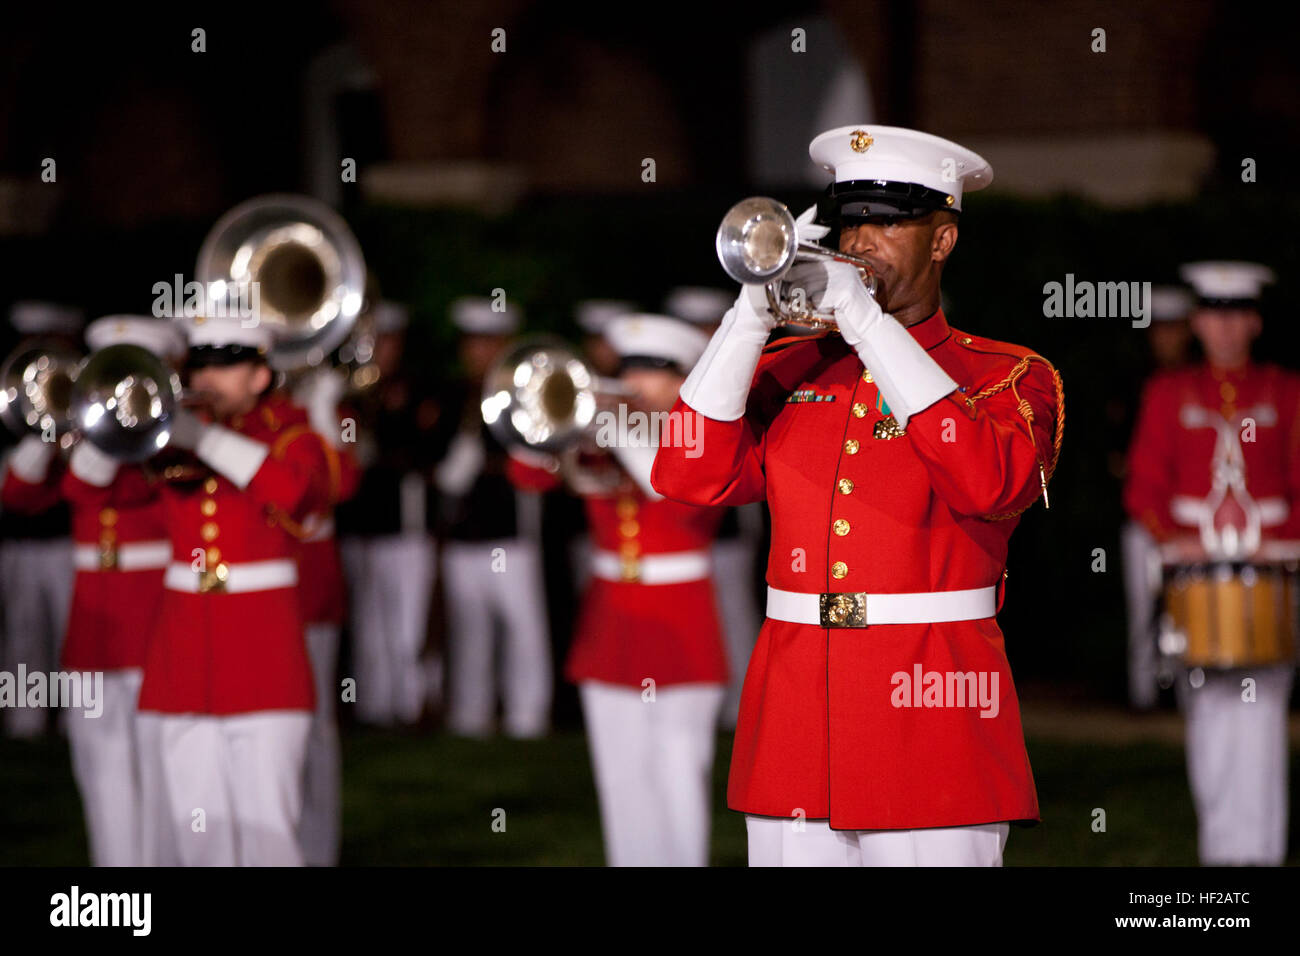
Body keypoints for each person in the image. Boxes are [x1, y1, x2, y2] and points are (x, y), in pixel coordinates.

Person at [652, 125, 1064, 867]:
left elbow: (988, 484)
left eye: (888, 222)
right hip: (795, 720)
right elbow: (685, 474)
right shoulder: (796, 365)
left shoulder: (1008, 375)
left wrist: (869, 325)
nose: (861, 241)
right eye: (850, 222)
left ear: (942, 240)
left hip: (935, 719)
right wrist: (747, 315)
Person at [509, 314, 728, 866]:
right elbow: (527, 474)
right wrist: (548, 422)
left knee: (680, 776)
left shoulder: (706, 436)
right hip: (610, 623)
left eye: (652, 370)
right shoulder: (605, 434)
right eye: (627, 368)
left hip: (682, 622)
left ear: (684, 380)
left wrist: (621, 427)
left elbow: (674, 494)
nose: (633, 382)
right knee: (621, 777)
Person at [135, 314, 332, 866]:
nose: (208, 379)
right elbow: (85, 488)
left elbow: (297, 496)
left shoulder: (292, 434)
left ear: (260, 376)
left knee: (269, 832)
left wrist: (209, 439)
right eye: (200, 366)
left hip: (264, 657)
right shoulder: (162, 436)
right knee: (199, 834)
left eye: (227, 366)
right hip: (185, 656)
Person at [1124, 261, 1299, 866]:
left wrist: (1281, 543)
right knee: (1209, 720)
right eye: (1213, 316)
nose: (1224, 329)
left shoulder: (1284, 390)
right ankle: (1224, 857)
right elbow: (1143, 490)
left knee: (1264, 720)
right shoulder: (1168, 393)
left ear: (1253, 322)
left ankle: (1262, 855)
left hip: (1269, 573)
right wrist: (1173, 537)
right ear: (1197, 322)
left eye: (1236, 316)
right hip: (1196, 577)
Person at [51, 316, 185, 866]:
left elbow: (115, 487)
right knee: (101, 768)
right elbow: (67, 486)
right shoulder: (85, 440)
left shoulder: (176, 443)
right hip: (95, 635)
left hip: (157, 625)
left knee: (162, 774)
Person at [435, 296, 551, 739]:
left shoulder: (524, 396)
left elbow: (537, 463)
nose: (479, 353)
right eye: (473, 343)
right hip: (463, 535)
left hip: (512, 535)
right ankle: (470, 716)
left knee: (524, 632)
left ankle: (527, 716)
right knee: (469, 633)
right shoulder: (451, 396)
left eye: (489, 343)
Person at [664, 286, 764, 728]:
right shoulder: (673, 377)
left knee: (735, 616)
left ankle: (743, 705)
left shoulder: (736, 370)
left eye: (706, 328)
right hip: (681, 530)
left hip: (727, 526)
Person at [336, 300, 439, 726]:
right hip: (363, 525)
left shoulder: (418, 390)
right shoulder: (352, 393)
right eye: (375, 341)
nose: (382, 349)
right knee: (370, 624)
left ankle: (412, 706)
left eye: (389, 341)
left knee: (408, 625)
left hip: (406, 526)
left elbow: (425, 455)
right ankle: (375, 708)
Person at [0, 301, 81, 738]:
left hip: (68, 539)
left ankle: (76, 719)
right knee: (24, 631)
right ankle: (25, 720)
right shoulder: (9, 402)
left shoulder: (84, 398)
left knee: (75, 630)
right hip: (20, 541)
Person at [291, 364, 361, 866]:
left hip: (308, 592)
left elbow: (342, 483)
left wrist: (320, 411)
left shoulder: (325, 414)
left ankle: (316, 851)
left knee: (313, 728)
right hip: (237, 595)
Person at [1119, 285, 1196, 709]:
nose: (1167, 337)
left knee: (1188, 611)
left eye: (1174, 327)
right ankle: (1143, 697)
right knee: (1142, 612)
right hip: (1143, 516)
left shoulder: (1199, 380)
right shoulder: (1135, 382)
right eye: (1159, 328)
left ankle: (1190, 692)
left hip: (1190, 519)